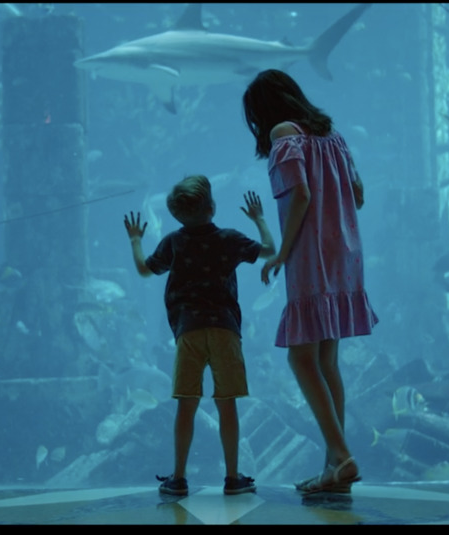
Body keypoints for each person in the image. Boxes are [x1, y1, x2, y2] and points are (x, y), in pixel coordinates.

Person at [243, 69, 377, 495]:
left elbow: (298, 194)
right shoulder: (332, 135)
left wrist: (282, 251)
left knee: (300, 359)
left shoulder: (284, 134)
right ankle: (332, 468)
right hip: (345, 254)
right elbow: (358, 194)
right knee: (326, 362)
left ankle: (341, 455)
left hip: (311, 254)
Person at [124, 176, 276, 496]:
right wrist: (259, 218)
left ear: (178, 216)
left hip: (189, 331)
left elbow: (143, 269)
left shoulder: (173, 243)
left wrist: (136, 239)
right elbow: (269, 249)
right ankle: (233, 477)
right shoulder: (228, 238)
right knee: (227, 403)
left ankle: (178, 478)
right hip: (224, 329)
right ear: (212, 208)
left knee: (186, 405)